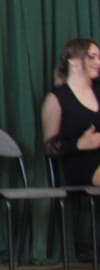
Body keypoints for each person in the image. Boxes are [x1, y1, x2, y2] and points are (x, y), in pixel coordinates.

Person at [41, 38, 100, 187]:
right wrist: (79, 144)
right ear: (73, 60)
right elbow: (49, 148)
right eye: (92, 57)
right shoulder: (57, 98)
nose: (98, 62)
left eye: (99, 58)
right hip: (82, 164)